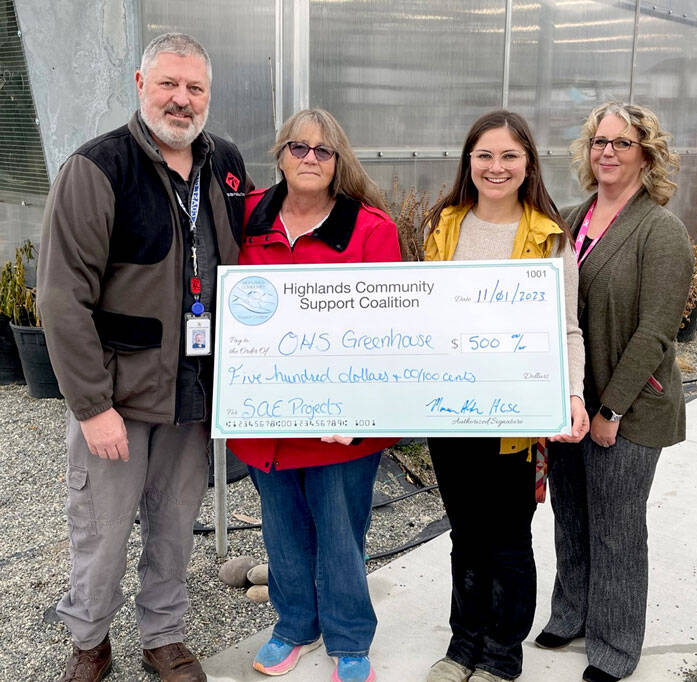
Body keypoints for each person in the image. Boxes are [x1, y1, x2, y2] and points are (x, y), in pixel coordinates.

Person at [37, 33, 251, 682]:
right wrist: (92, 406)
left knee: (174, 521)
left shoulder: (228, 164)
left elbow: (250, 270)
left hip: (192, 388)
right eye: (168, 85)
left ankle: (163, 636)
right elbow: (62, 295)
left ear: (208, 96)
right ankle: (90, 641)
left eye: (194, 89)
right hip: (121, 393)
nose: (181, 101)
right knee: (101, 532)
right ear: (139, 84)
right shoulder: (98, 169)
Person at [226, 108, 400, 682]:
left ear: (338, 161)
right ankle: (294, 624)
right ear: (278, 155)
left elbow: (389, 328)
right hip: (267, 417)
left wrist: (360, 404)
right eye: (297, 148)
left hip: (340, 425)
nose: (308, 159)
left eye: (322, 151)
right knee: (280, 529)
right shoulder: (246, 216)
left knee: (341, 532)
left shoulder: (370, 229)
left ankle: (350, 638)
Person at [422, 110, 589, 682]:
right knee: (465, 535)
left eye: (509, 156)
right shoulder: (445, 227)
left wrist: (572, 395)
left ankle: (502, 652)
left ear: (528, 165)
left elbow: (567, 327)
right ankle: (462, 644)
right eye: (485, 155)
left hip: (513, 418)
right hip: (449, 413)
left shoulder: (549, 237)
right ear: (468, 161)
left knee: (509, 539)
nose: (496, 167)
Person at [534, 103, 693, 682]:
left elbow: (656, 332)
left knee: (617, 525)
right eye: (600, 141)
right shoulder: (570, 220)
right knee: (571, 513)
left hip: (630, 403)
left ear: (646, 154)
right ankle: (571, 612)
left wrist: (610, 410)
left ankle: (615, 644)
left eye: (623, 144)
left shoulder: (661, 230)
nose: (608, 152)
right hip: (573, 397)